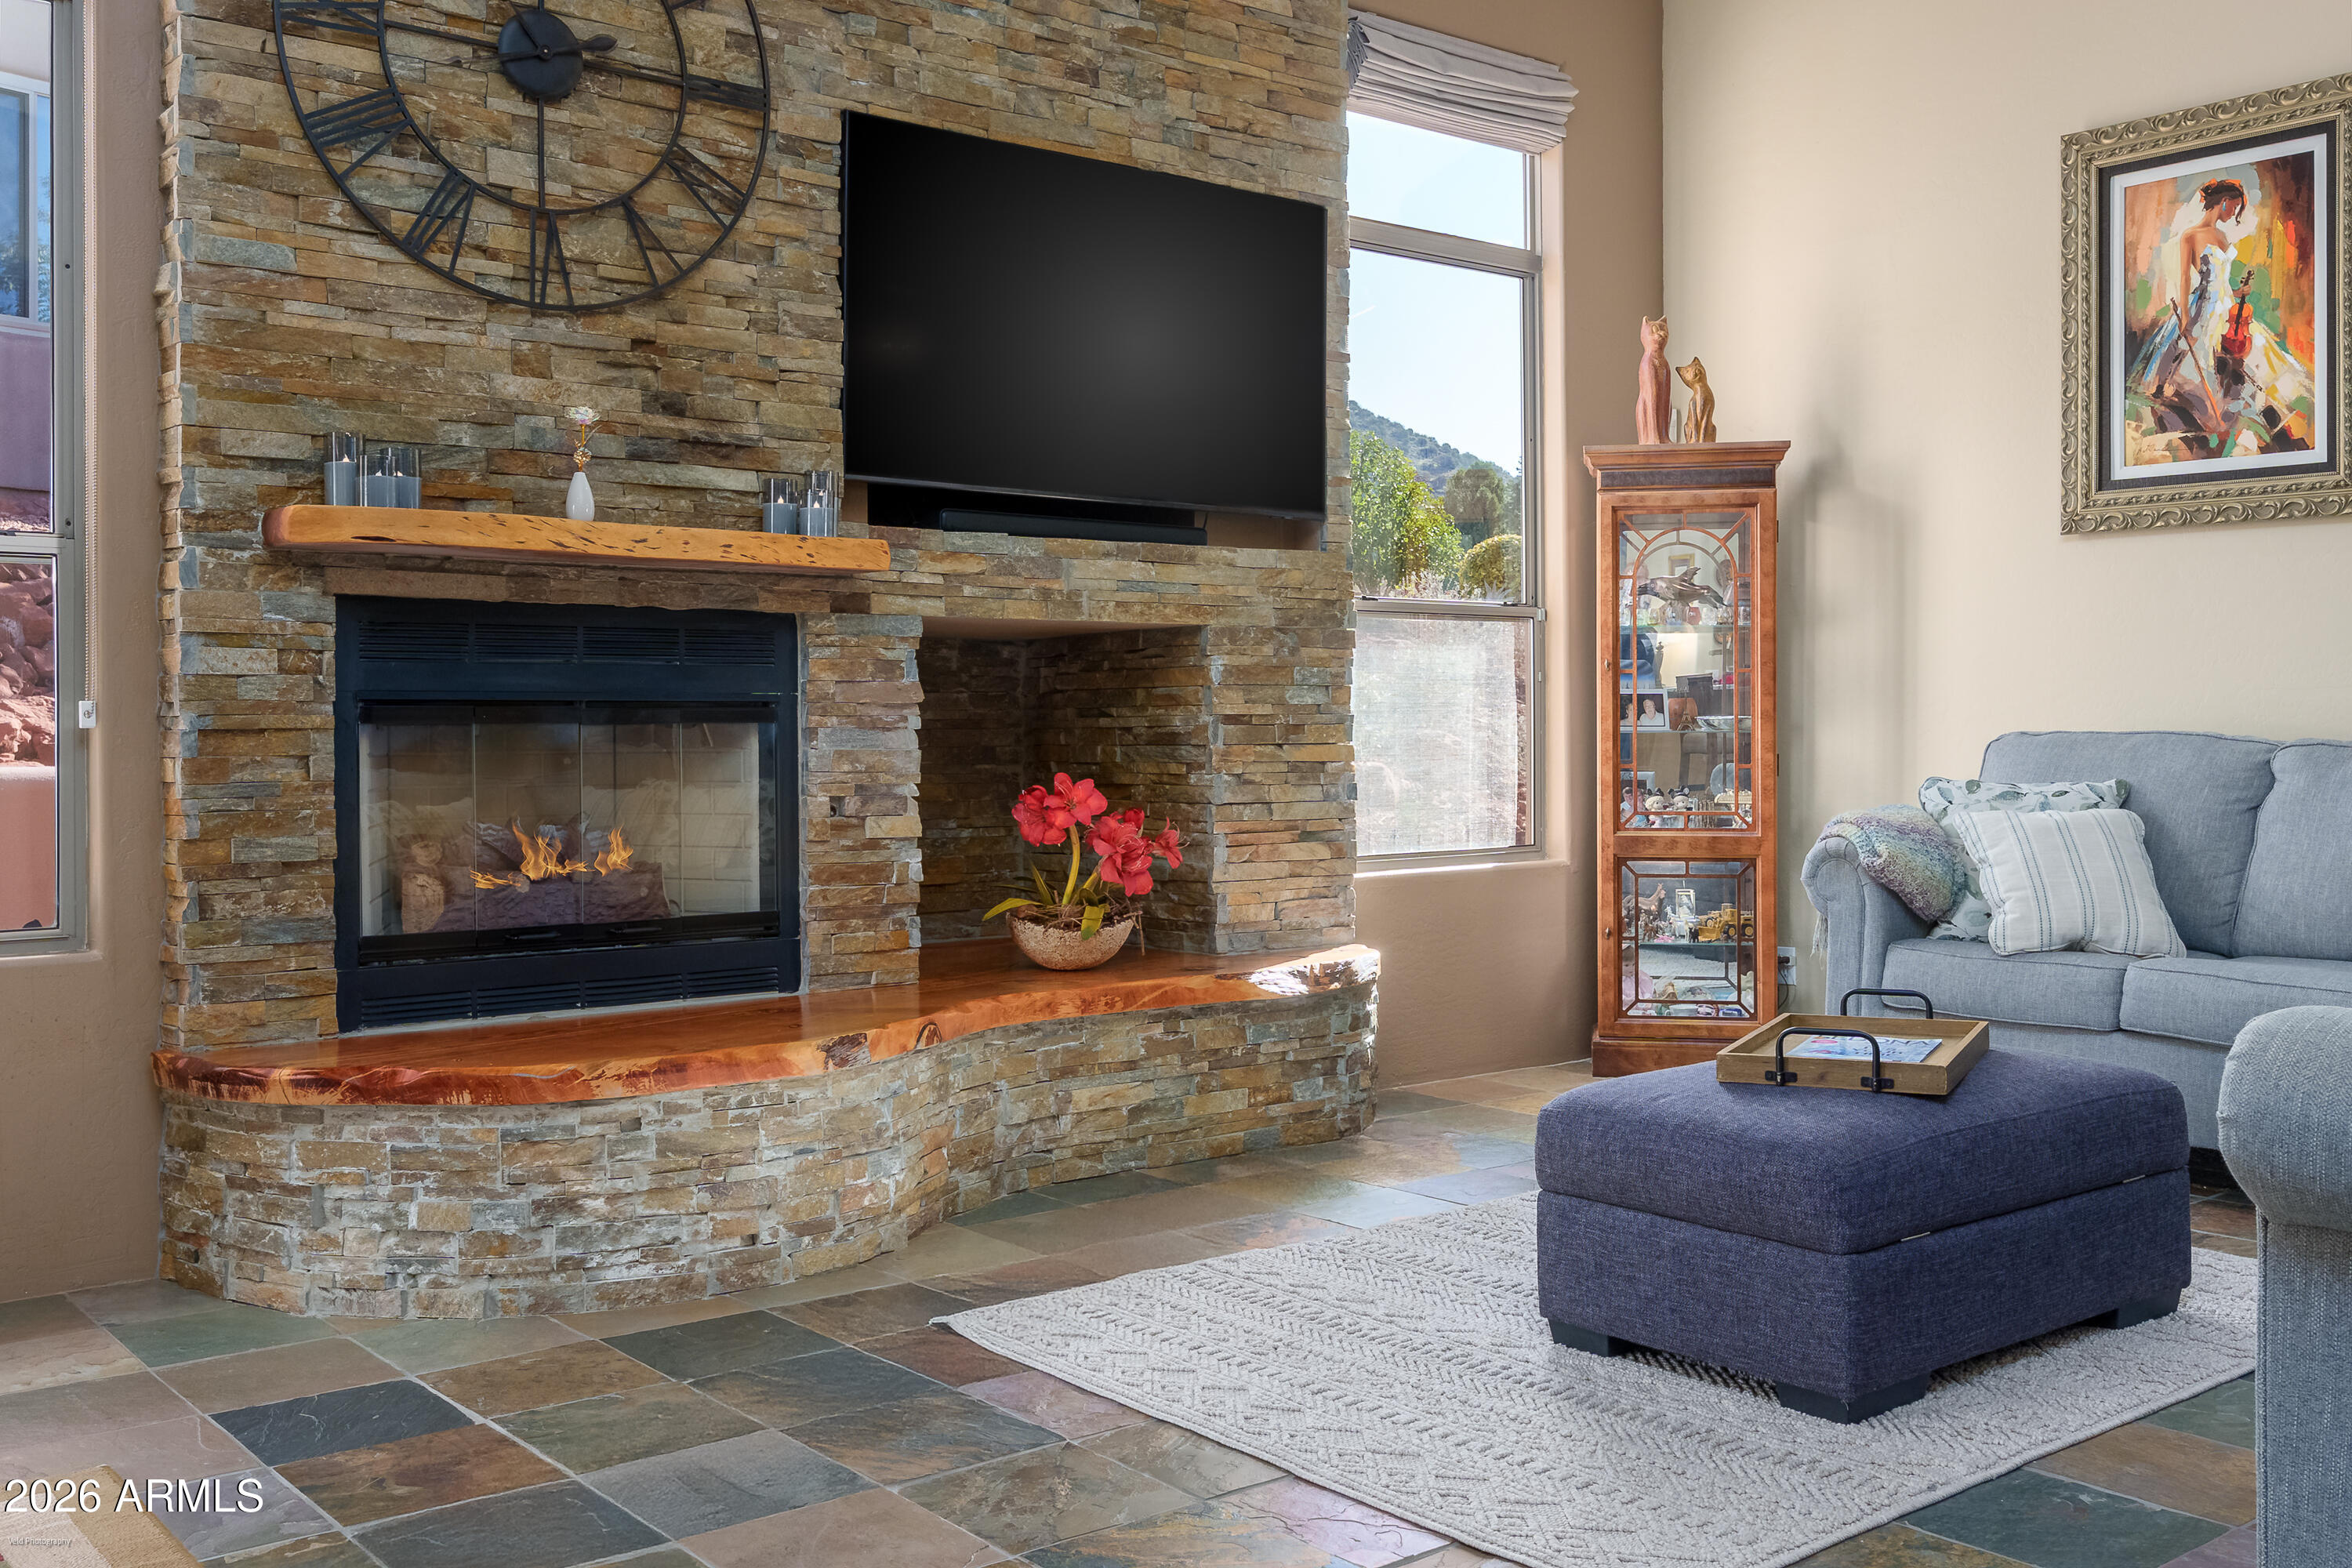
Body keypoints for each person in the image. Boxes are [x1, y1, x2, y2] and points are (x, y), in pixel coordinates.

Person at [2129, 176, 2312, 459]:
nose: (2233, 214)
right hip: (2203, 307)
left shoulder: (2223, 237)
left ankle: (2263, 425)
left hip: (2226, 307)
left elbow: (2223, 283)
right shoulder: (2190, 236)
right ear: (2223, 202)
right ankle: (2206, 426)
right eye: (2234, 207)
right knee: (2200, 365)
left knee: (2250, 359)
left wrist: (2240, 292)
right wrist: (2186, 317)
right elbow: (2184, 281)